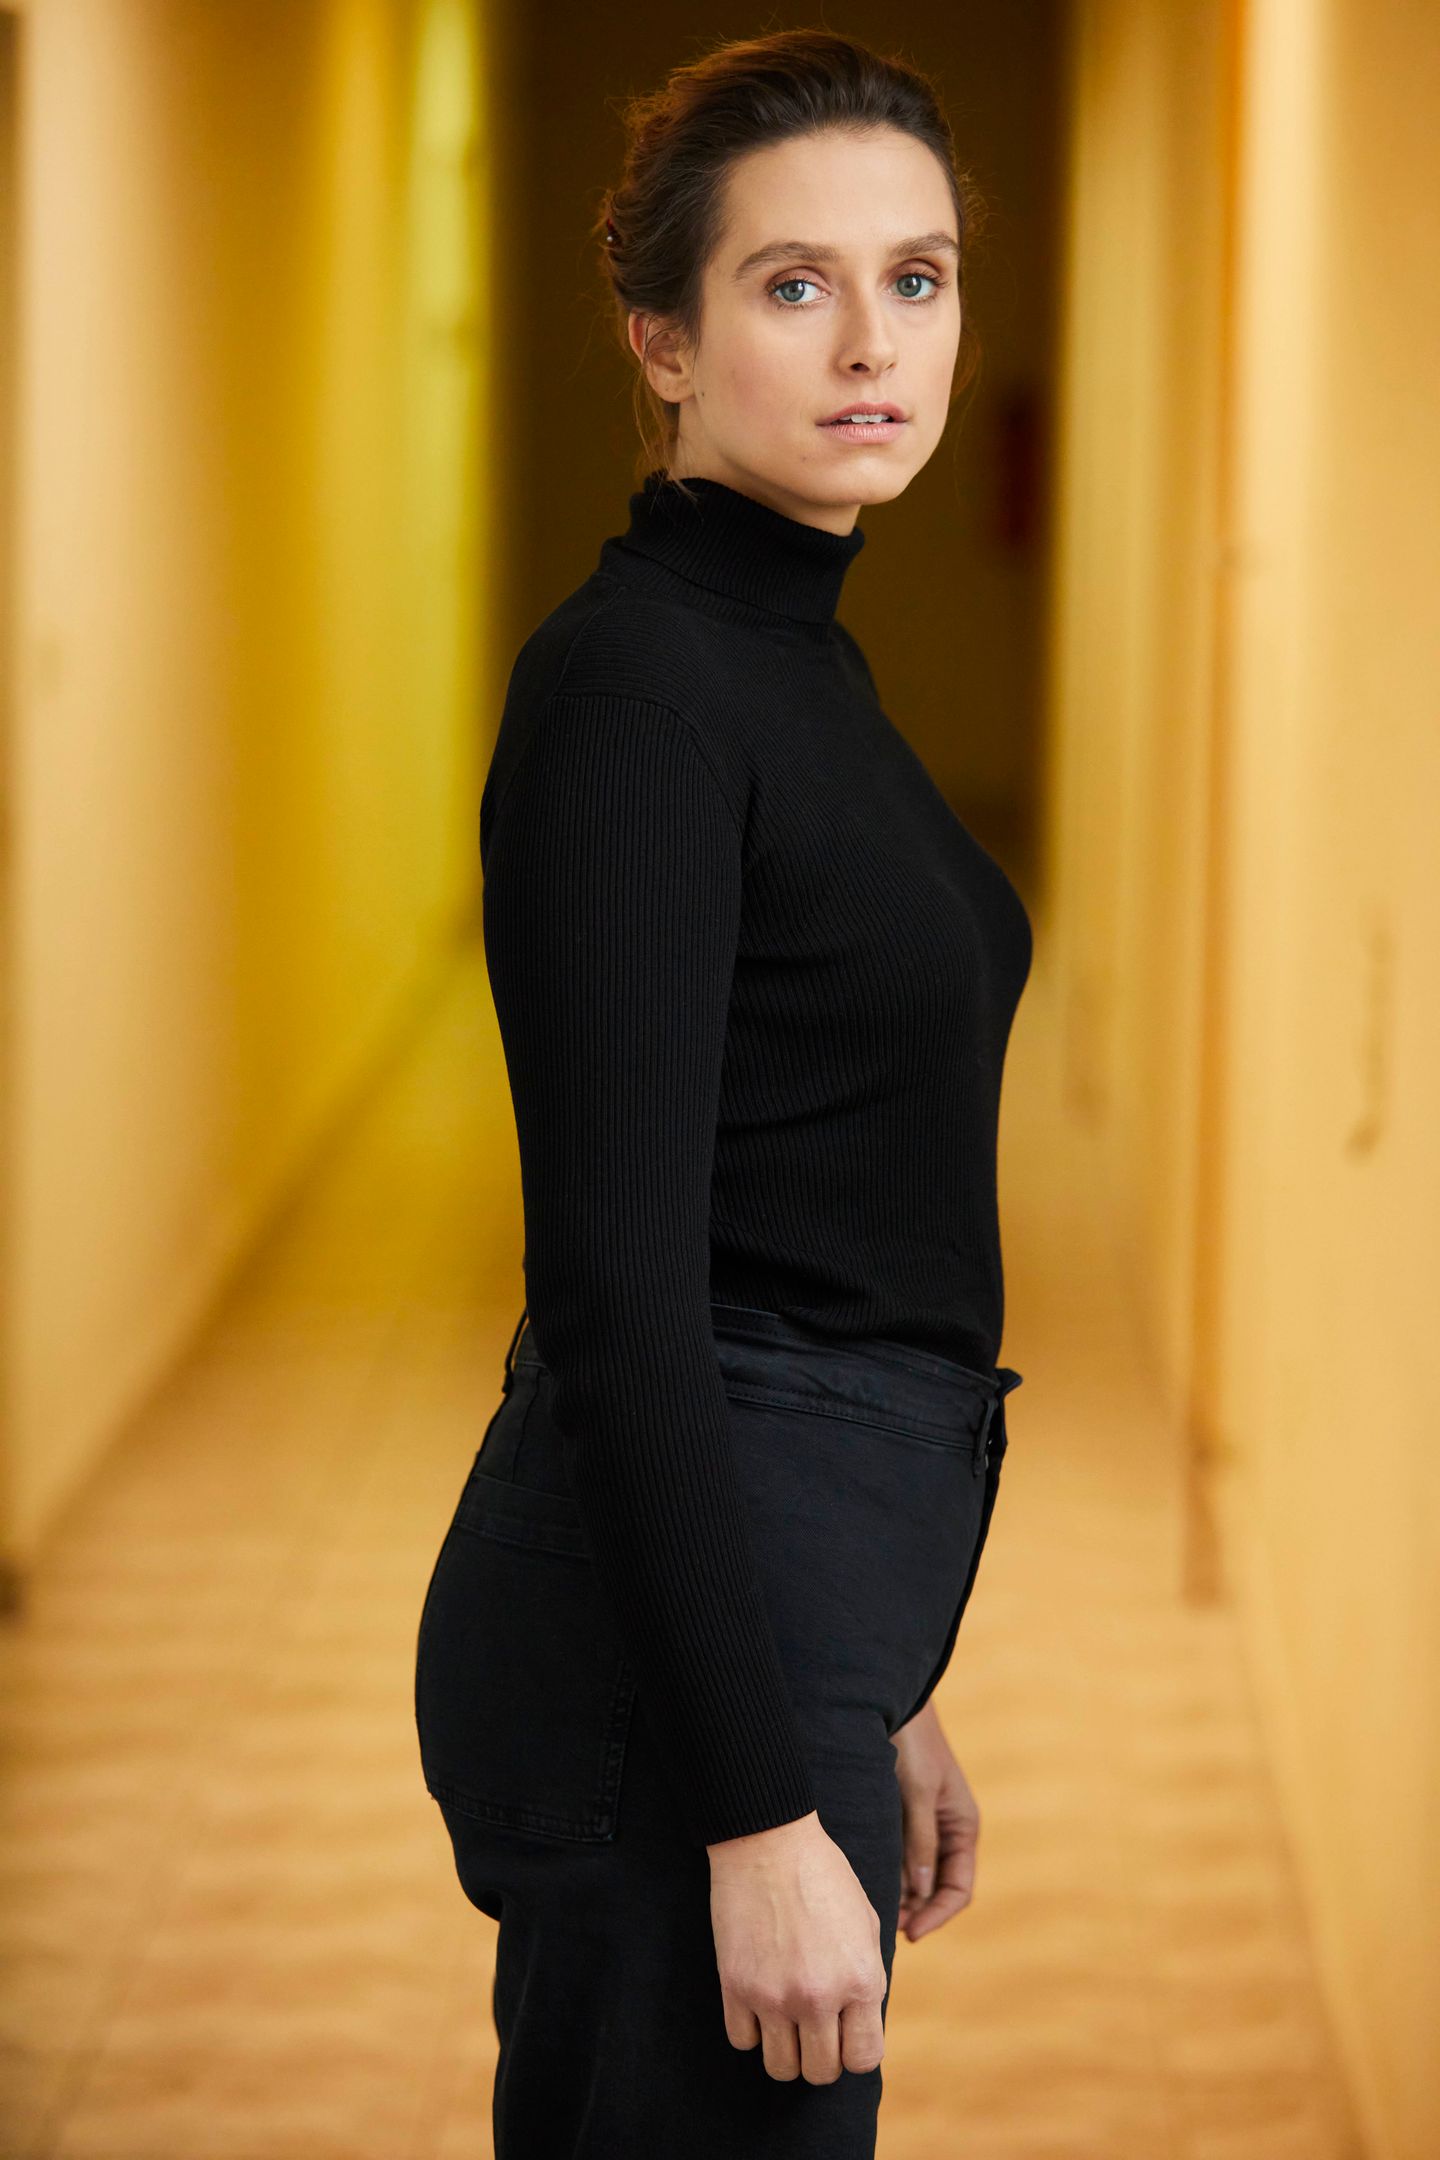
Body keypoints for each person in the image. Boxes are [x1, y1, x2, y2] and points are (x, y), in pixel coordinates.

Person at [413, 26, 1032, 2157]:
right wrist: (760, 1802)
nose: (876, 344)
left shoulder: (792, 656)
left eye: (918, 278)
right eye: (795, 284)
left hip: (775, 1625)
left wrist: (879, 1680)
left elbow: (811, 1193)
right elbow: (621, 1293)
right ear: (661, 341)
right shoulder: (635, 691)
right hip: (658, 1698)